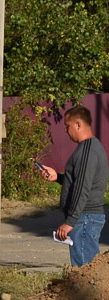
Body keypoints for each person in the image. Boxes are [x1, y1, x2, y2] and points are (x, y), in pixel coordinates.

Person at [39, 104, 108, 268]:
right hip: (85, 217)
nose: (65, 130)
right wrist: (58, 177)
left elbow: (82, 188)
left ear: (78, 125)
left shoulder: (88, 150)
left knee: (84, 271)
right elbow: (79, 180)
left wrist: (70, 222)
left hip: (85, 218)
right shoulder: (89, 148)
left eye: (67, 126)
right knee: (88, 269)